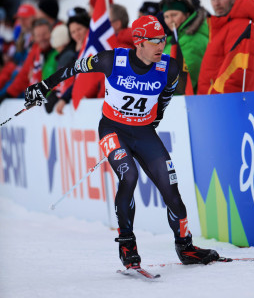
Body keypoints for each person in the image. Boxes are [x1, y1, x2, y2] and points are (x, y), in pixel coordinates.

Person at [24, 15, 220, 268]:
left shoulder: (169, 68)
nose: (161, 45)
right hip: (112, 129)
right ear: (139, 42)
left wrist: (154, 119)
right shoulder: (111, 60)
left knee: (171, 188)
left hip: (144, 133)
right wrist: (43, 86)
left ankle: (185, 247)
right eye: (154, 41)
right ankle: (127, 244)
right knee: (129, 177)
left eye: (163, 40)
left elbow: (166, 97)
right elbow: (74, 68)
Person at [197, 0, 254, 94]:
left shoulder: (240, 25)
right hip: (211, 102)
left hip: (223, 103)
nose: (217, 3)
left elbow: (237, 72)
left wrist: (215, 99)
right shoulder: (222, 26)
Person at [160, 0, 209, 94]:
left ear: (187, 14)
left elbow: (183, 80)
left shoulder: (193, 39)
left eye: (174, 15)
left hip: (188, 103)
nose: (170, 21)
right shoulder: (174, 38)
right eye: (166, 16)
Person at [0, 18, 57, 102]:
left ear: (51, 33)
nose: (42, 38)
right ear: (33, 38)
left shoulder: (58, 49)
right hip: (40, 101)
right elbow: (23, 75)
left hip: (55, 99)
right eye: (38, 35)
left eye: (45, 34)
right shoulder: (35, 51)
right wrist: (9, 94)